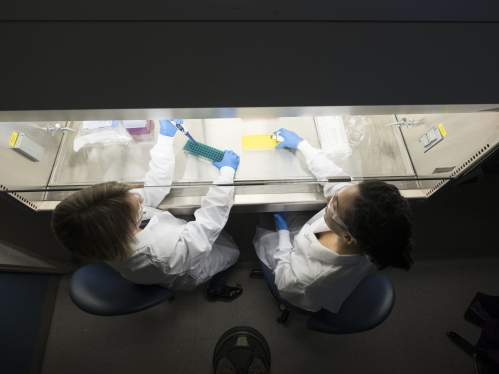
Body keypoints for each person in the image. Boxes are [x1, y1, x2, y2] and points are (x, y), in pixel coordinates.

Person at [52, 119, 243, 300]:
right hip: (187, 270)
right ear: (126, 228)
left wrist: (165, 138)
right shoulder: (161, 253)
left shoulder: (104, 235)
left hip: (151, 270)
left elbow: (155, 187)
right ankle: (215, 290)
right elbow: (208, 224)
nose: (138, 196)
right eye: (134, 205)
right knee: (232, 252)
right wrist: (227, 174)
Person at [253, 128, 413, 313]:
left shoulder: (309, 277)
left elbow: (284, 280)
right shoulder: (370, 232)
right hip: (307, 235)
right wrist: (301, 145)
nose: (329, 198)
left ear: (347, 236)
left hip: (291, 272)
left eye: (335, 206)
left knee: (262, 216)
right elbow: (337, 180)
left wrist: (282, 235)